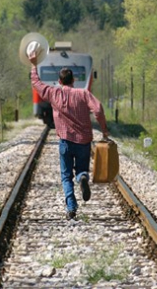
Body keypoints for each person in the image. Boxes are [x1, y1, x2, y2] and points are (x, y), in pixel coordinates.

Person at [29, 52, 109, 220]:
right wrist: (104, 130)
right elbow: (98, 109)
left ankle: (71, 208)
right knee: (81, 170)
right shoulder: (83, 94)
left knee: (66, 177)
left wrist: (33, 64)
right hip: (84, 141)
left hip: (65, 142)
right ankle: (83, 178)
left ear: (59, 81)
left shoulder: (53, 93)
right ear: (73, 80)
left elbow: (36, 83)